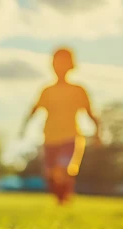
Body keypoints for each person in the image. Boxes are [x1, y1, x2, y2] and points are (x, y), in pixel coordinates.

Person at [19, 47, 101, 205]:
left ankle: (64, 199)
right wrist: (24, 127)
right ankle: (60, 196)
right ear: (52, 65)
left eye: (64, 63)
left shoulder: (78, 90)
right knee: (51, 173)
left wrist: (98, 132)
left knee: (63, 168)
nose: (60, 67)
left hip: (71, 137)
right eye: (57, 62)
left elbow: (90, 113)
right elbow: (34, 110)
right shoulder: (47, 90)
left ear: (71, 65)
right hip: (49, 137)